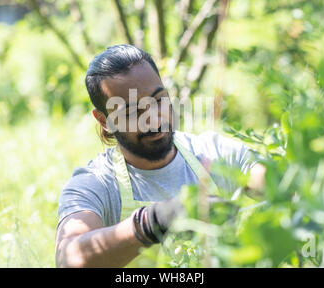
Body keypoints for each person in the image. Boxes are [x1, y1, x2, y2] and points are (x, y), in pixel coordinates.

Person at [55, 44, 266, 268]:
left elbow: (278, 184)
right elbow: (69, 260)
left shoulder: (215, 153)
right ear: (104, 121)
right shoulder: (96, 184)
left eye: (158, 100)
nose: (154, 121)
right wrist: (150, 222)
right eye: (132, 111)